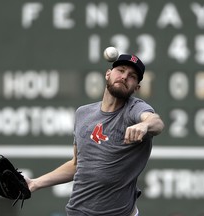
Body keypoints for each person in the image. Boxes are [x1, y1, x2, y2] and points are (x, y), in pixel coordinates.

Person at [26, 54, 165, 216]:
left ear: (137, 88)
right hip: (77, 212)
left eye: (132, 76)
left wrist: (144, 125)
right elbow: (77, 164)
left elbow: (157, 123)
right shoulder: (83, 113)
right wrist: (35, 183)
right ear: (108, 74)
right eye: (120, 70)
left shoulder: (135, 109)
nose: (124, 77)